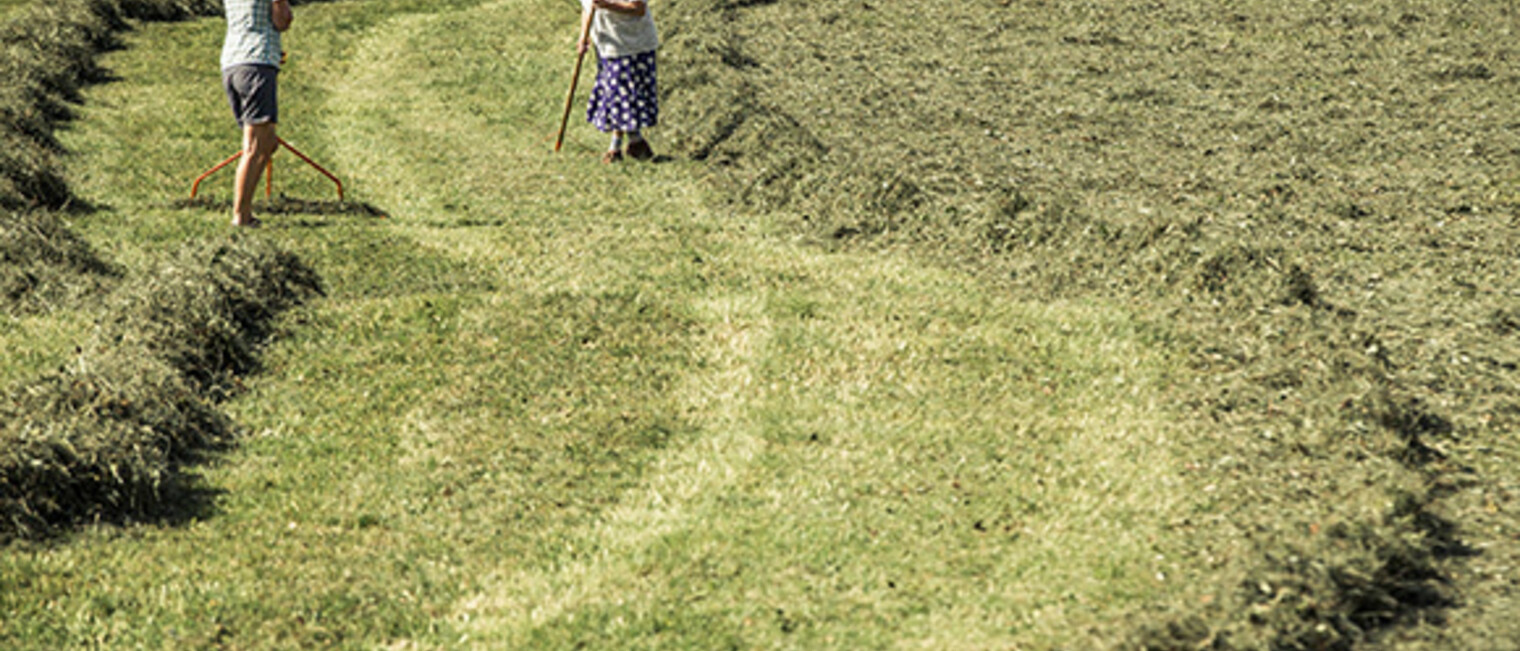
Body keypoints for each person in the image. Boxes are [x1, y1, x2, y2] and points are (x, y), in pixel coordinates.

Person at [221, 0, 292, 227]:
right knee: (255, 147)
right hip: (256, 65)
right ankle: (241, 216)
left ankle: (244, 212)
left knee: (267, 142)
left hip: (232, 64)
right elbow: (282, 21)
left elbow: (251, 22)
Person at [577, 0, 659, 164]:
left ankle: (615, 148)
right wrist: (583, 36)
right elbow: (587, 8)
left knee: (622, 97)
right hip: (607, 45)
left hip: (633, 44)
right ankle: (636, 142)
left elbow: (638, 8)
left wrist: (606, 4)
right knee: (617, 96)